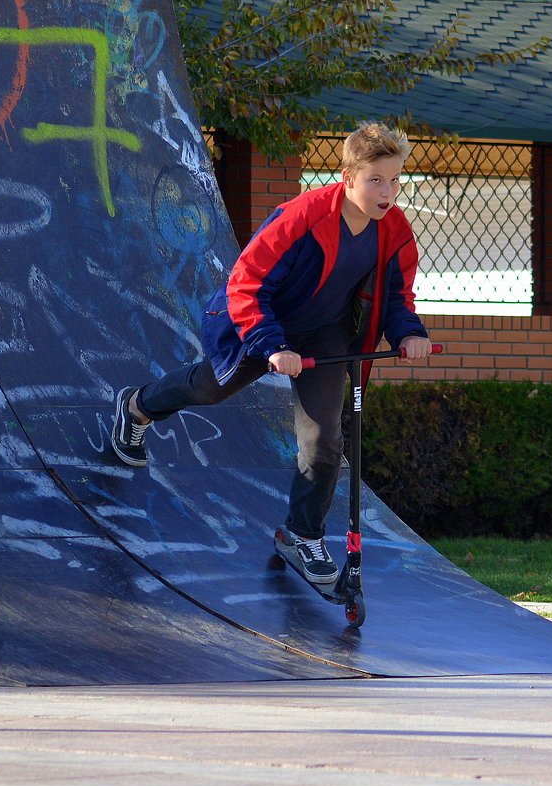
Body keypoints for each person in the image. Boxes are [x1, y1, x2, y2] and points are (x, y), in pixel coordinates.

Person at [111, 121, 432, 585]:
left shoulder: (394, 229)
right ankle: (137, 406)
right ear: (348, 177)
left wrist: (409, 333)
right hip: (263, 322)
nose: (388, 192)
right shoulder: (302, 216)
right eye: (376, 180)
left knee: (323, 438)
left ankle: (302, 535)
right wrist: (272, 345)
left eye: (396, 180)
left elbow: (398, 296)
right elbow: (247, 281)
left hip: (324, 333)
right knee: (211, 388)